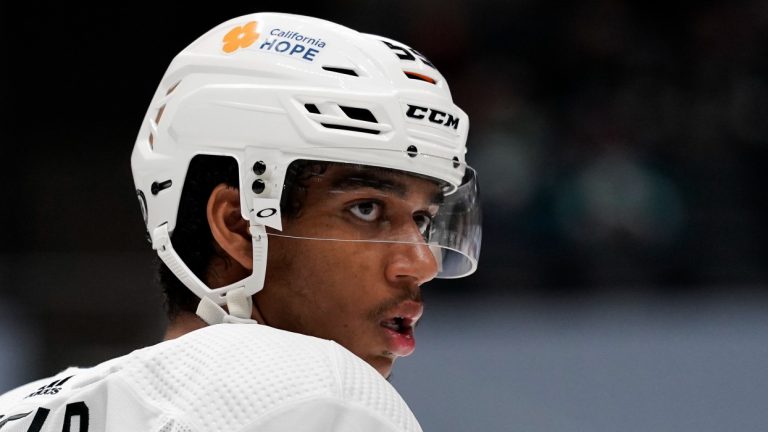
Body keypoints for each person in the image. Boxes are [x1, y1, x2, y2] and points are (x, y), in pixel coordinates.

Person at [0, 12, 481, 432]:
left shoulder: (20, 411)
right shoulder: (320, 394)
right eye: (367, 209)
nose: (421, 262)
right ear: (238, 226)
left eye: (423, 219)